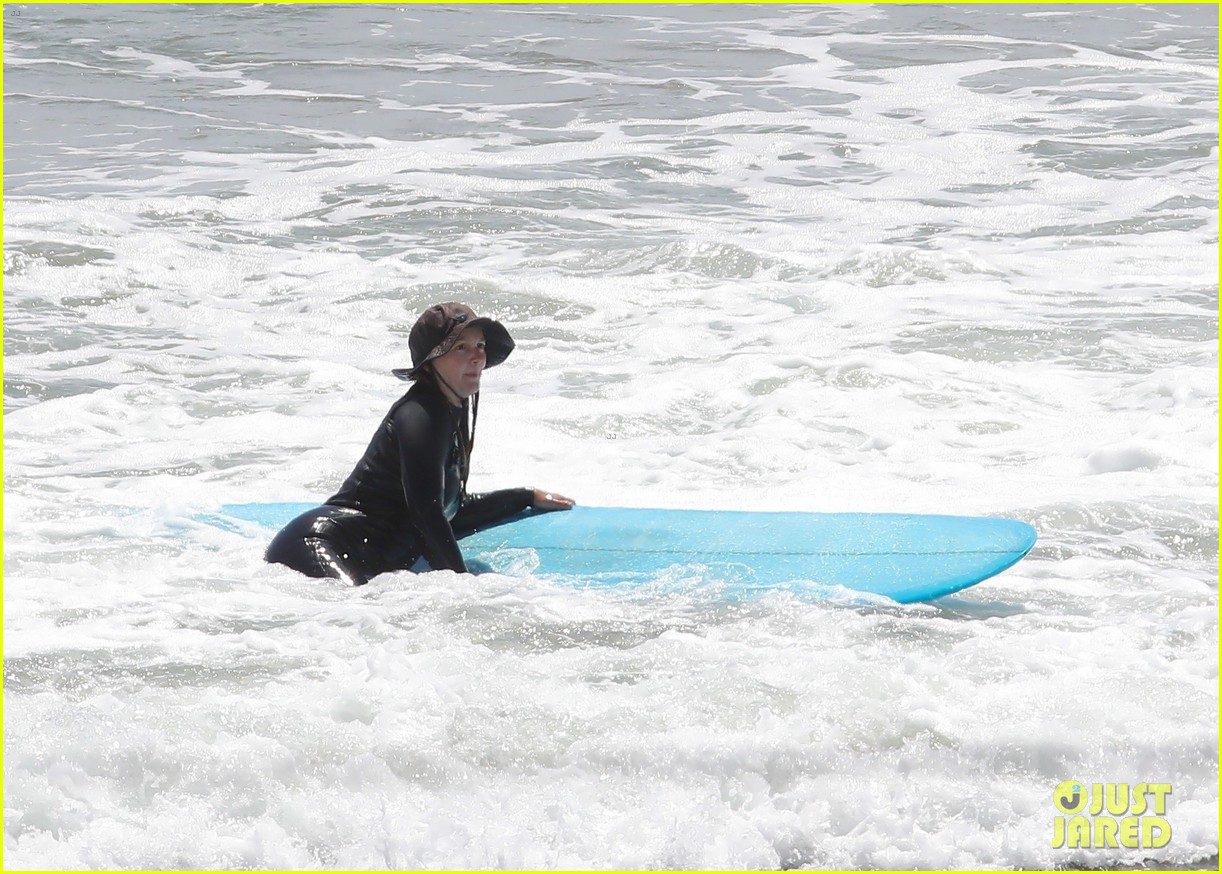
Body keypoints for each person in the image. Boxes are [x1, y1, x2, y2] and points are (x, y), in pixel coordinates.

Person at [265, 302, 575, 586]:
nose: (477, 357)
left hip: (342, 551)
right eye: (461, 347)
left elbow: (448, 513)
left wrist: (524, 497)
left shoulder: (449, 410)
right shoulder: (420, 415)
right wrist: (465, 588)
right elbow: (426, 515)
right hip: (316, 545)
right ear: (430, 362)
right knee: (357, 611)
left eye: (480, 346)